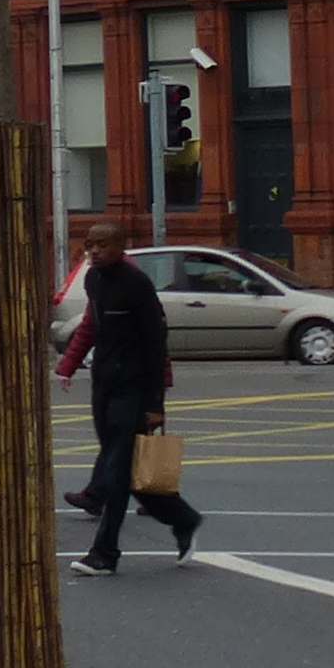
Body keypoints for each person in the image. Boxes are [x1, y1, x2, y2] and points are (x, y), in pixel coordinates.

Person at [54, 216, 200, 577]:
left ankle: (104, 553)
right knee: (126, 470)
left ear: (121, 248)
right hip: (103, 385)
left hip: (133, 389)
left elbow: (155, 344)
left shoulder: (137, 284)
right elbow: (92, 327)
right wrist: (69, 364)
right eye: (90, 245)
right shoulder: (93, 280)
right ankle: (184, 518)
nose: (94, 251)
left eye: (103, 245)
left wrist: (155, 404)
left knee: (117, 472)